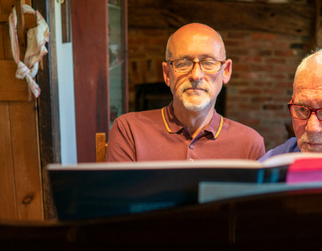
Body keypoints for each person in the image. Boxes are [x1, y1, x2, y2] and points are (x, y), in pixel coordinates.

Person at [107, 23, 265, 162]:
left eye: (208, 63)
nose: (196, 75)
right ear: (167, 73)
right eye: (183, 63)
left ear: (226, 71)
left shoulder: (250, 143)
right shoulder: (129, 131)